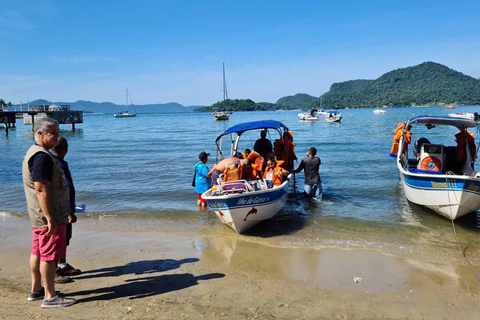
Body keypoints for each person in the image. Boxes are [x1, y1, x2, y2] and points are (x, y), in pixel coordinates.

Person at [22, 118, 76, 308]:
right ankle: (50, 297)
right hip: (47, 216)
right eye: (52, 132)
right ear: (40, 134)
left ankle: (36, 290)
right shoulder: (42, 156)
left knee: (38, 251)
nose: (57, 136)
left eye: (57, 131)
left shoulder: (37, 153)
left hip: (40, 216)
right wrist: (51, 218)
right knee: (49, 255)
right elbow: (41, 189)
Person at [51, 136, 81, 282]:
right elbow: (64, 189)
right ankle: (56, 269)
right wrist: (70, 211)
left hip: (63, 206)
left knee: (64, 238)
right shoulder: (57, 164)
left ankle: (62, 264)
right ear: (65, 148)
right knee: (60, 238)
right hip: (61, 208)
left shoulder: (56, 162)